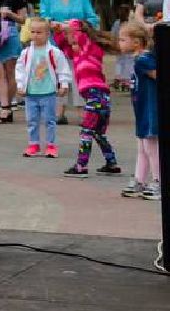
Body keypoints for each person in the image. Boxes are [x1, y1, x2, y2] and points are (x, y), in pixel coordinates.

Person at [55, 20, 121, 178]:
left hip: (95, 94)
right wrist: (58, 31)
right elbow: (62, 46)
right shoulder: (76, 53)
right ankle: (111, 163)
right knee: (98, 133)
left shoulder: (90, 47)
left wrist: (66, 26)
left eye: (70, 34)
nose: (68, 37)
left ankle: (81, 166)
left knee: (86, 131)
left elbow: (80, 36)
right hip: (99, 96)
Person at [15, 17, 71, 159]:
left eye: (39, 32)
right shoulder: (26, 52)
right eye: (32, 32)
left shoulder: (54, 52)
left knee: (49, 120)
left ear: (47, 34)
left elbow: (63, 68)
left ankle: (51, 145)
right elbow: (20, 69)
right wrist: (20, 85)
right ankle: (33, 144)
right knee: (31, 120)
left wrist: (64, 83)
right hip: (31, 93)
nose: (35, 35)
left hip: (48, 93)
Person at [117, 23, 160, 200]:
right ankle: (139, 180)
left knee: (151, 147)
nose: (119, 43)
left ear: (136, 42)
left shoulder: (144, 60)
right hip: (142, 110)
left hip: (150, 110)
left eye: (122, 39)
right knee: (142, 147)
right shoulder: (140, 59)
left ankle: (158, 181)